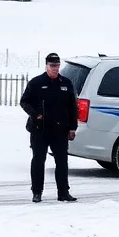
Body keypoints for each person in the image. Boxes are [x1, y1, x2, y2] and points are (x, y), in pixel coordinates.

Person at [19, 53, 78, 202]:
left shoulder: (66, 83)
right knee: (39, 160)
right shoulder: (37, 83)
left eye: (57, 66)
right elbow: (24, 102)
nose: (55, 69)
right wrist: (36, 114)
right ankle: (37, 192)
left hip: (60, 129)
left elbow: (73, 107)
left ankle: (63, 192)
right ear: (46, 66)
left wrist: (72, 127)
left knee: (62, 161)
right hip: (40, 129)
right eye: (52, 66)